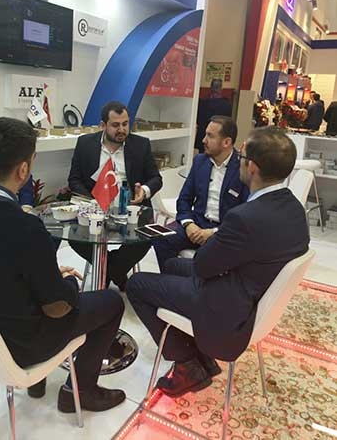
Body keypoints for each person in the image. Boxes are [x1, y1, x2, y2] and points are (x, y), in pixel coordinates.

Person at [0, 117, 126, 412]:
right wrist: (68, 283)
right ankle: (80, 392)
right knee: (111, 302)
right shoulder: (25, 227)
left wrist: (45, 274)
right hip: (19, 346)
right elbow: (58, 308)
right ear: (23, 170)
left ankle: (39, 383)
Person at [126, 126, 309, 398]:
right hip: (248, 288)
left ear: (252, 167)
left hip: (226, 306)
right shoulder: (294, 208)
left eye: (242, 157)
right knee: (173, 265)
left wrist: (214, 239)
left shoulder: (245, 218)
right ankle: (201, 354)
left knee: (137, 284)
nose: (239, 162)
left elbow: (203, 265)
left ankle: (187, 364)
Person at [68, 100, 162, 291]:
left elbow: (156, 178)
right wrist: (93, 201)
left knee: (145, 240)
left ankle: (108, 272)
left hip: (130, 211)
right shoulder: (85, 143)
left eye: (125, 124)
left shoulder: (141, 145)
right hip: (95, 210)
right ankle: (117, 273)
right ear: (103, 125)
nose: (122, 129)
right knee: (73, 237)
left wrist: (143, 191)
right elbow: (74, 180)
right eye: (115, 125)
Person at [154, 116, 249, 272]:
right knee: (161, 240)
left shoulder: (243, 168)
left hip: (223, 232)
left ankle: (194, 284)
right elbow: (184, 200)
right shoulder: (200, 161)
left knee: (206, 258)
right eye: (205, 134)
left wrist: (213, 232)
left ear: (226, 142)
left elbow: (245, 214)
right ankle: (169, 280)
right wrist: (189, 224)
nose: (203, 140)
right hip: (196, 224)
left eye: (210, 136)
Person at [194, 78, 232, 152]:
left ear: (211, 87)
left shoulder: (202, 103)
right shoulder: (227, 105)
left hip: (203, 136)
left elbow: (198, 120)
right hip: (219, 137)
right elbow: (228, 123)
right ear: (221, 89)